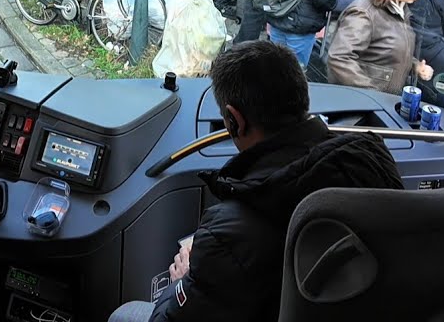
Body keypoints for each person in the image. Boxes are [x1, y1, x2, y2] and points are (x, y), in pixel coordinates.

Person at [107, 41, 404, 322]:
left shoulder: (230, 230)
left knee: (125, 313)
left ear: (235, 120)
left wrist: (183, 280)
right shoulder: (373, 161)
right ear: (303, 98)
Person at [326, 0, 435, 94]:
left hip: (381, 103)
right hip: (365, 104)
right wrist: (372, 94)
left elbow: (385, 50)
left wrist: (414, 65)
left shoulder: (399, 8)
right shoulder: (364, 12)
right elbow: (339, 58)